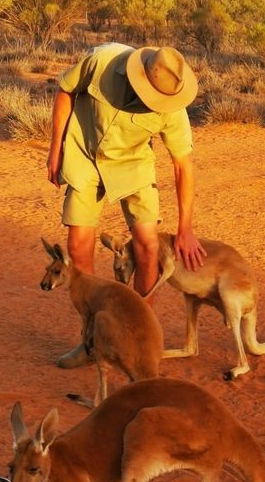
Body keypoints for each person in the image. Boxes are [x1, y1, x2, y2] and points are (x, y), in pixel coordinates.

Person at [47, 42, 206, 368]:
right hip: (84, 155)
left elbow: (183, 165)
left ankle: (137, 337)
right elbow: (65, 90)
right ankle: (91, 341)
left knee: (148, 248)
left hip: (133, 165)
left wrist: (186, 228)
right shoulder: (101, 62)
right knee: (78, 249)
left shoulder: (173, 109)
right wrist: (55, 149)